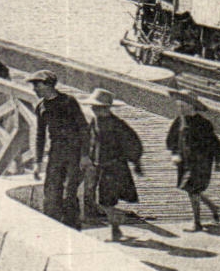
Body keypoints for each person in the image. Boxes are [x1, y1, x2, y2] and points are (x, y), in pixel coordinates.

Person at [82, 89, 142, 242]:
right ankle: (116, 230)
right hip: (102, 167)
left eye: (97, 107)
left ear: (106, 108)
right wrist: (87, 156)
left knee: (106, 201)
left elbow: (133, 142)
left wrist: (135, 161)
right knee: (106, 200)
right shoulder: (96, 121)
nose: (94, 109)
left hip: (115, 167)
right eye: (93, 107)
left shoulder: (117, 124)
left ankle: (117, 225)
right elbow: (89, 140)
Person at [30, 70, 88, 229]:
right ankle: (53, 229)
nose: (34, 89)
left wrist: (84, 155)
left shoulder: (68, 102)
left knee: (69, 193)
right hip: (56, 152)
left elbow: (83, 128)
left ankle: (73, 229)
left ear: (48, 85)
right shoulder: (41, 107)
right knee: (51, 193)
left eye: (37, 85)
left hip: (74, 152)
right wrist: (37, 161)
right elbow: (40, 135)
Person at [166, 89, 220, 232]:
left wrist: (218, 161)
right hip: (184, 162)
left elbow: (215, 144)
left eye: (182, 104)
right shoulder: (179, 121)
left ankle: (197, 223)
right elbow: (171, 140)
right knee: (190, 189)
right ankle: (212, 206)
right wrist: (175, 153)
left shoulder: (204, 124)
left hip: (200, 163)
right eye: (178, 104)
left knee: (192, 189)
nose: (179, 107)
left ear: (191, 106)